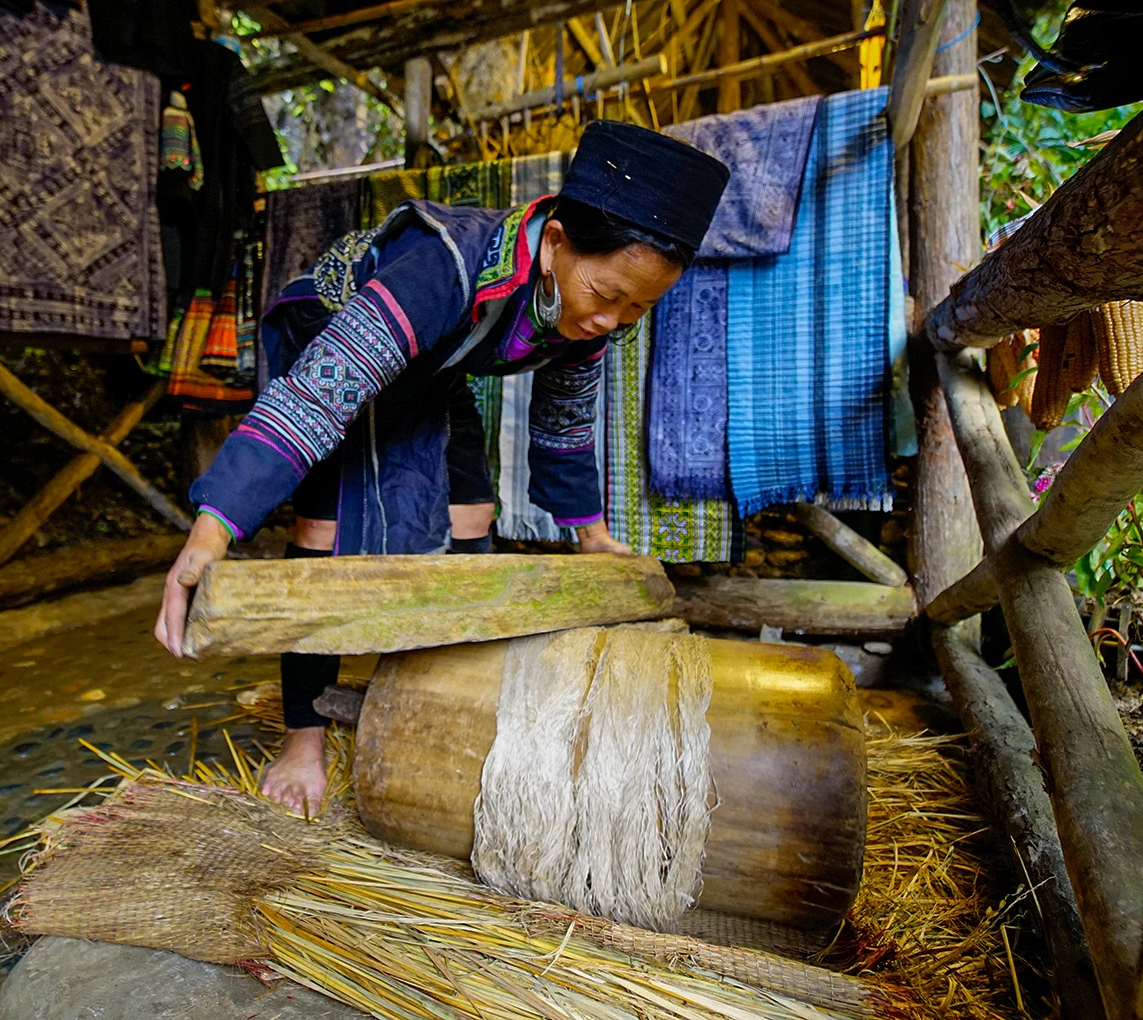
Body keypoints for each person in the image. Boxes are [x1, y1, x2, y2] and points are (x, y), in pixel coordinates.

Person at [154, 121, 730, 814]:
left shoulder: (587, 321)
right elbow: (313, 400)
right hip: (333, 340)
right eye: (608, 294)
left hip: (432, 367)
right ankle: (303, 737)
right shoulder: (442, 264)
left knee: (470, 514)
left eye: (640, 307)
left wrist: (592, 535)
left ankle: (446, 703)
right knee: (328, 533)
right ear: (553, 245)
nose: (615, 319)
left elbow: (565, 424)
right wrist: (213, 532)